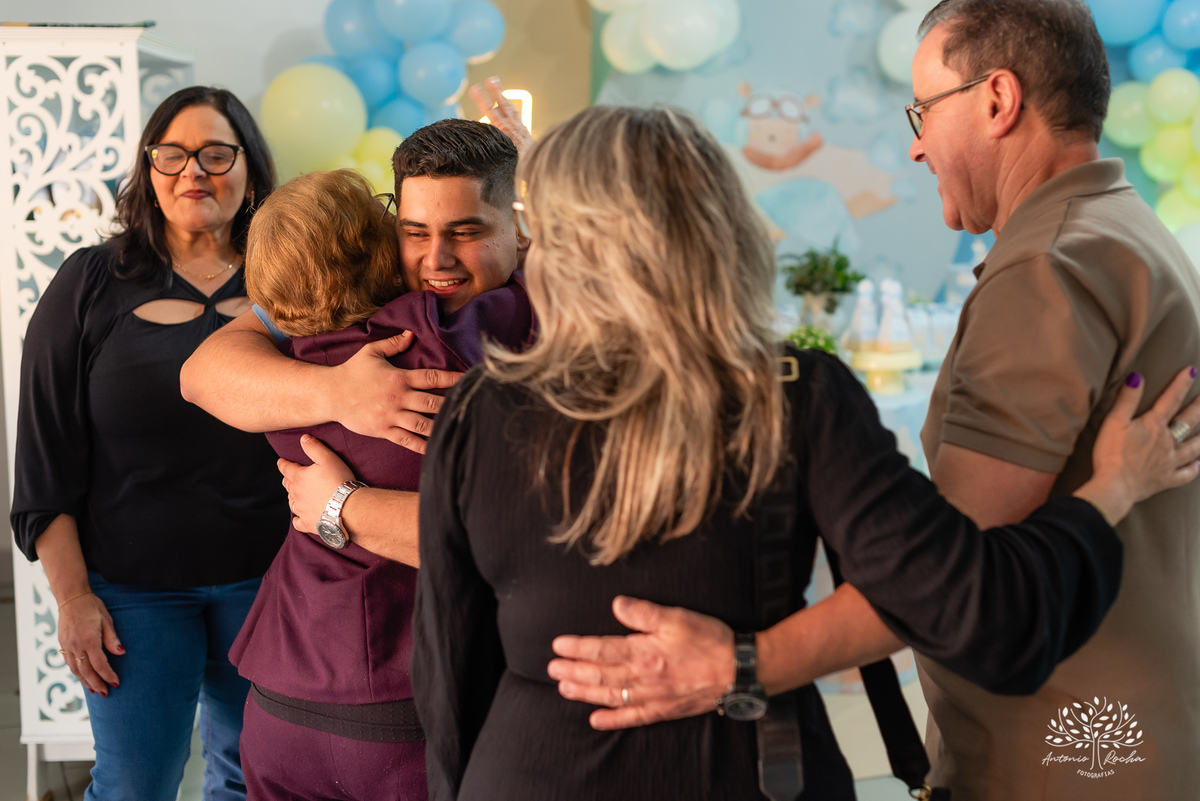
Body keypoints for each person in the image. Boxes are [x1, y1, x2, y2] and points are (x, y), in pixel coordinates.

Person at [409, 104, 1200, 801]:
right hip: (745, 768)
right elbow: (974, 604)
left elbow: (448, 662)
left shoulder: (479, 409)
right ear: (719, 231)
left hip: (522, 772)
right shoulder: (795, 393)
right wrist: (1112, 490)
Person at [10, 86, 287, 801]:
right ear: (149, 169)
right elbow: (44, 466)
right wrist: (73, 598)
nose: (194, 170)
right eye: (173, 153)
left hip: (270, 584)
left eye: (216, 153)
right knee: (134, 786)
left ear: (249, 169)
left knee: (251, 781)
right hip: (132, 593)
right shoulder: (88, 283)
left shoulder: (289, 287)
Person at [229, 167, 532, 800]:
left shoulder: (280, 367)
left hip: (278, 698)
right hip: (395, 703)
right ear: (381, 249)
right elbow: (540, 293)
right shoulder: (435, 339)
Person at [179, 113, 527, 555]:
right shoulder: (347, 294)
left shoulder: (561, 304)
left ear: (520, 230)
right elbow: (201, 375)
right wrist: (342, 391)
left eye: (465, 232)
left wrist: (342, 505)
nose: (436, 260)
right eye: (415, 232)